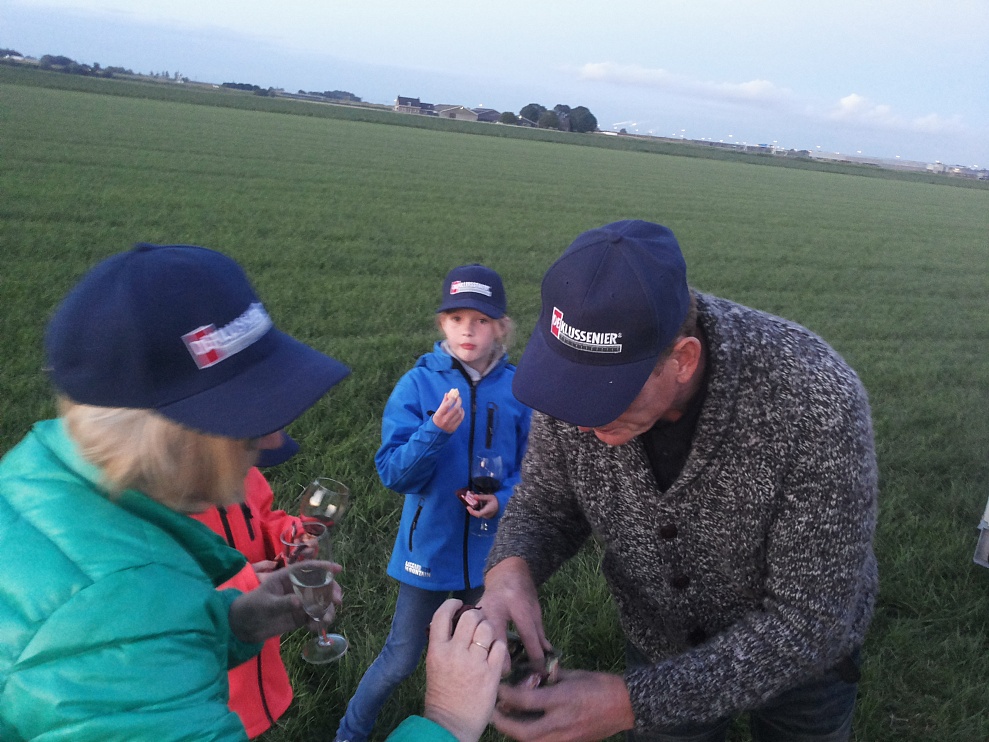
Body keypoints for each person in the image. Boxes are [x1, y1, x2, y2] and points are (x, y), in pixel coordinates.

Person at [0, 243, 502, 742]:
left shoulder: (38, 485)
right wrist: (447, 722)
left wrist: (230, 625)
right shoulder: (112, 618)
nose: (275, 441)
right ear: (166, 434)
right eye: (248, 415)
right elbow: (124, 638)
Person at [479, 220, 879, 742]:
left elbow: (809, 620)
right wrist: (511, 568)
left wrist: (632, 702)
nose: (578, 423)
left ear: (683, 359)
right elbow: (547, 502)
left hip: (803, 668)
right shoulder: (575, 378)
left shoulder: (815, 400)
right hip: (660, 640)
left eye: (604, 396)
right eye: (568, 385)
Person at [336, 263, 532, 742]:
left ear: (501, 327)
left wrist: (502, 499)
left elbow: (534, 472)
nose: (468, 329)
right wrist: (435, 431)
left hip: (491, 555)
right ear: (442, 323)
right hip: (428, 549)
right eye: (457, 318)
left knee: (486, 652)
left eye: (481, 320)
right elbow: (395, 473)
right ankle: (349, 732)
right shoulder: (418, 385)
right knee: (401, 657)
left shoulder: (518, 391)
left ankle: (482, 726)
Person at [189, 434, 304, 738]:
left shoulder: (245, 471)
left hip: (261, 658)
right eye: (249, 444)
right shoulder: (168, 506)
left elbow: (263, 518)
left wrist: (293, 536)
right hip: (216, 689)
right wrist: (243, 584)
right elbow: (170, 600)